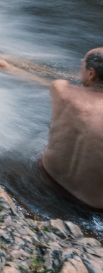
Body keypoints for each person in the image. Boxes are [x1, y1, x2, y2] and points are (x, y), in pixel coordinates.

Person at [40, 48, 103, 210]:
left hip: (45, 180)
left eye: (81, 64)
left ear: (91, 74)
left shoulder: (59, 89)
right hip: (90, 209)